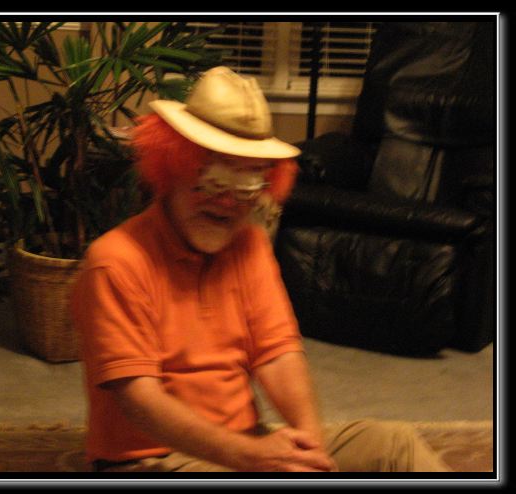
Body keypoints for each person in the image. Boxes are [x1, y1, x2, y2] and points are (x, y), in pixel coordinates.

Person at [70, 66, 451, 473]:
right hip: (154, 459)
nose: (227, 203)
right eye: (215, 180)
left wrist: (311, 449)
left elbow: (278, 355)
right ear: (172, 166)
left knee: (393, 445)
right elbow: (139, 401)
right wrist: (249, 456)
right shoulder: (115, 260)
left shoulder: (249, 245)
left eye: (247, 186)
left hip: (246, 444)